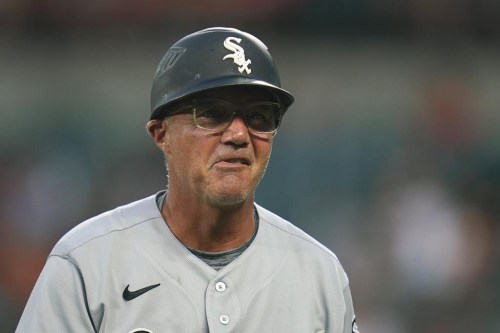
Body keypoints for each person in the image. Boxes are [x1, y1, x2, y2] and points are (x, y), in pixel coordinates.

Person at [17, 27, 359, 333]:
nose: (239, 134)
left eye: (259, 116)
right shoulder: (87, 263)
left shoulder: (318, 274)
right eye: (212, 113)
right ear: (161, 133)